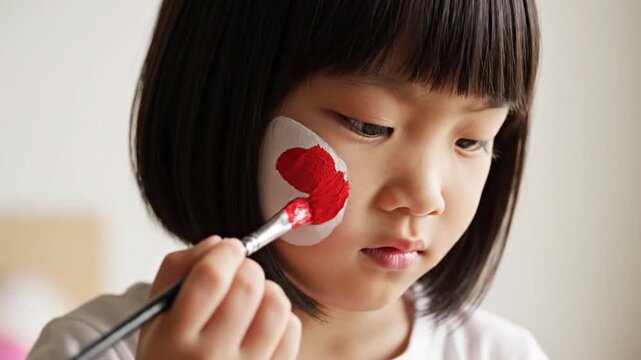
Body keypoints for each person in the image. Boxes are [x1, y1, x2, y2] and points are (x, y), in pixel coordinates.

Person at [29, 0, 549, 359]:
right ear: (223, 107)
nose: (425, 196)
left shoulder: (505, 353)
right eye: (371, 125)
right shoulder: (93, 346)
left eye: (471, 140)